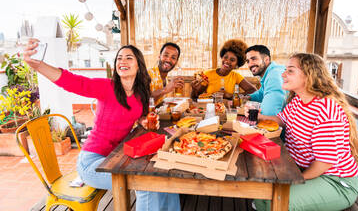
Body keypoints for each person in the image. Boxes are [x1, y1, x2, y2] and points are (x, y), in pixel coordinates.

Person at [23, 39, 180, 211]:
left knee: (164, 178)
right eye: (119, 58)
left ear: (138, 66)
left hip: (118, 156)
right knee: (145, 185)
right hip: (93, 162)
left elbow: (138, 115)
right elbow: (72, 81)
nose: (122, 61)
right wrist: (38, 65)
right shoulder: (107, 87)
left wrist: (143, 120)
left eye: (129, 58)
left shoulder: (140, 94)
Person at [247, 53, 358, 211]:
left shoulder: (327, 110)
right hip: (301, 168)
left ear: (309, 75)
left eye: (290, 71)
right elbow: (281, 120)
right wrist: (257, 115)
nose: (283, 74)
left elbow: (323, 163)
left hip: (334, 181)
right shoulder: (298, 101)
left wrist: (292, 180)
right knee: (261, 196)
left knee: (272, 202)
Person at [191, 39, 257, 99]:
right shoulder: (207, 74)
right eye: (225, 57)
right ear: (222, 57)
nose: (227, 61)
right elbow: (195, 97)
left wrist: (230, 95)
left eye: (232, 60)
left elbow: (253, 91)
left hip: (227, 110)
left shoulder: (236, 76)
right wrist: (194, 89)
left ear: (237, 64)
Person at [245, 45, 286, 116]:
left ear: (266, 59)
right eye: (248, 61)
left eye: (254, 59)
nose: (250, 64)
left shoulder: (274, 75)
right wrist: (249, 97)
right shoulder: (269, 73)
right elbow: (262, 92)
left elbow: (269, 112)